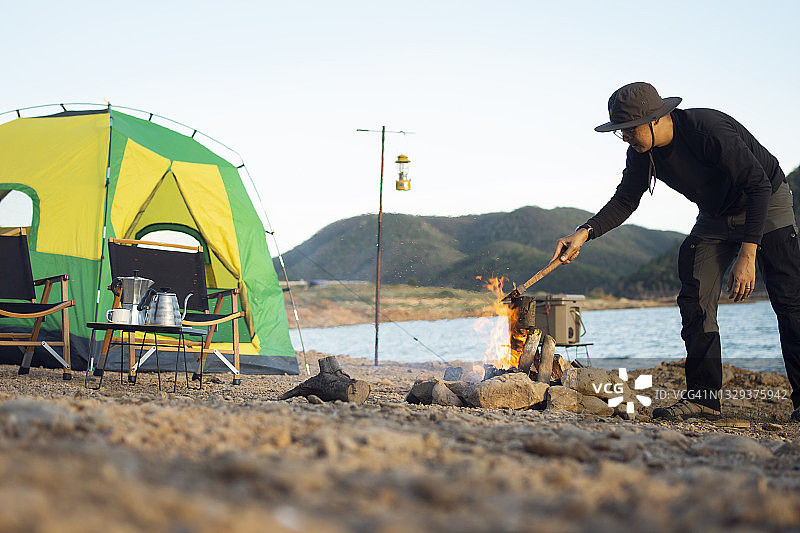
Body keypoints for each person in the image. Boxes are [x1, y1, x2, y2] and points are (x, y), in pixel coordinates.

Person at [552, 82, 800, 422]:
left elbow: (757, 184)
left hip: (765, 202)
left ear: (656, 119)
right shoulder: (643, 153)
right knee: (695, 298)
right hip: (715, 216)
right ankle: (704, 400)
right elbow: (626, 198)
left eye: (630, 130)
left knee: (790, 300)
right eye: (619, 132)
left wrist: (747, 255)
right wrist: (584, 232)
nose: (625, 138)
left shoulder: (707, 130)